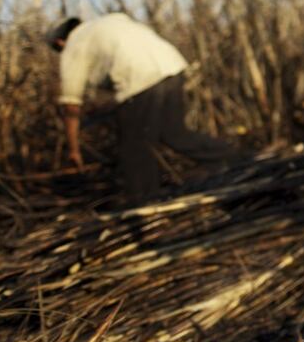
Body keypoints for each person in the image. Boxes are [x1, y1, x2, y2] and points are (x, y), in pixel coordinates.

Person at [47, 13, 240, 203]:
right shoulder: (111, 21)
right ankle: (235, 159)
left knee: (135, 147)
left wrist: (74, 150)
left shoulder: (74, 44)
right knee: (174, 133)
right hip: (171, 67)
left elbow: (71, 104)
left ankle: (144, 201)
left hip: (140, 80)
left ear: (60, 42)